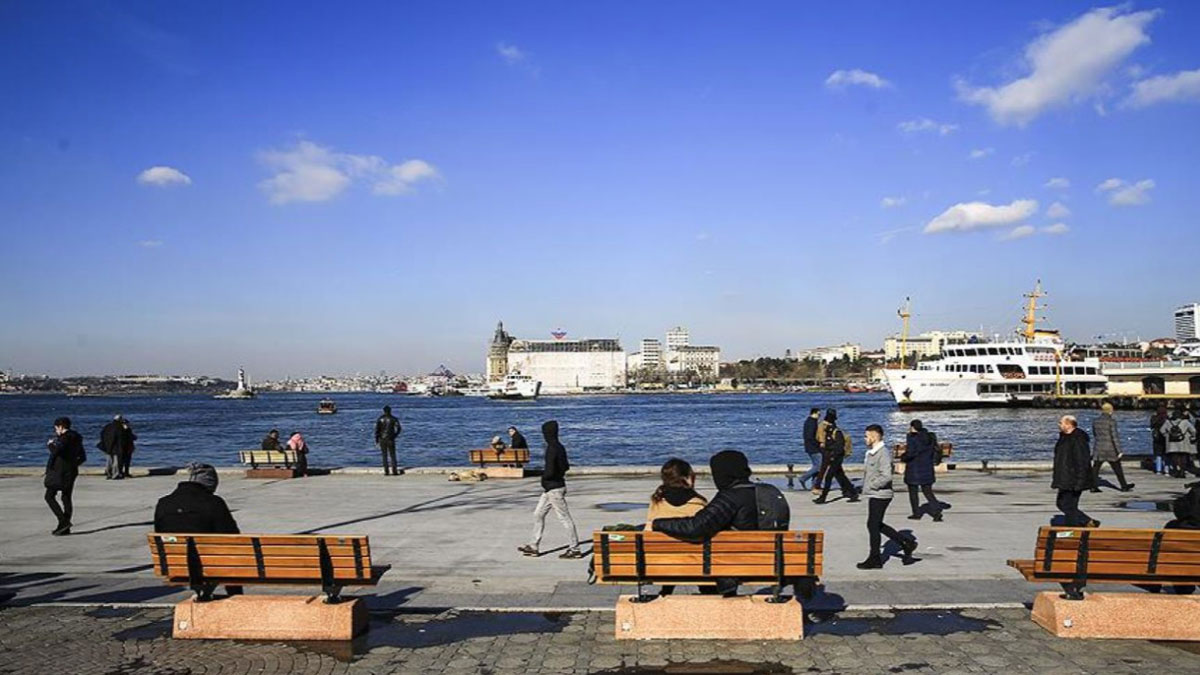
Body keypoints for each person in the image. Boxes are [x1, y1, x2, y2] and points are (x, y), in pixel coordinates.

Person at [652, 449, 765, 596]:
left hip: (734, 565)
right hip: (767, 561)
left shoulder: (729, 498)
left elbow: (696, 528)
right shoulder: (769, 492)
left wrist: (657, 524)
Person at [154, 463, 243, 596]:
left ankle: (204, 594)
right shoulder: (214, 502)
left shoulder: (164, 502)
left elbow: (159, 531)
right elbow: (232, 535)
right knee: (231, 555)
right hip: (211, 565)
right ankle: (235, 597)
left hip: (175, 565)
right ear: (210, 483)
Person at [644, 458, 709, 596]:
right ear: (687, 477)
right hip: (695, 562)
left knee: (670, 548)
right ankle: (707, 591)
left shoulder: (656, 501)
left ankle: (666, 591)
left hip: (661, 562)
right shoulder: (698, 503)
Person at [518, 420, 582, 559]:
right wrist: (554, 476)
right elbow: (566, 466)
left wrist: (545, 477)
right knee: (538, 514)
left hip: (554, 489)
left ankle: (575, 548)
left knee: (564, 518)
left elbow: (550, 470)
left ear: (547, 433)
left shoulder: (551, 449)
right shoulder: (560, 447)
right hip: (551, 488)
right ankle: (533, 546)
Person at [858, 425, 917, 569]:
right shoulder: (872, 452)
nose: (864, 438)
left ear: (874, 436)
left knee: (873, 525)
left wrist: (872, 485)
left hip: (881, 494)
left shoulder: (882, 453)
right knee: (875, 524)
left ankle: (875, 559)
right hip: (875, 493)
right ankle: (906, 543)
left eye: (866, 436)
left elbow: (886, 476)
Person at [1052, 415, 1098, 527]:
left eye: (1061, 423)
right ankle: (1087, 521)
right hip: (1064, 478)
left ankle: (1072, 529)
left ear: (1068, 424)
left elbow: (1082, 461)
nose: (1059, 425)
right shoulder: (1064, 437)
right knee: (1062, 503)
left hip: (1073, 479)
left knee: (1069, 506)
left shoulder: (1078, 439)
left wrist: (1080, 482)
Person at [45, 417, 86, 536]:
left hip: (59, 472)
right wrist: (73, 465)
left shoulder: (64, 439)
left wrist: (50, 445)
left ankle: (63, 521)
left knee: (49, 496)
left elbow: (57, 452)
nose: (56, 431)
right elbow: (83, 457)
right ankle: (65, 527)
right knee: (66, 497)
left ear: (61, 427)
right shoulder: (77, 439)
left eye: (56, 428)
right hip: (71, 471)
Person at [901, 420, 944, 521]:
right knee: (928, 492)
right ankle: (937, 511)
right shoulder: (930, 437)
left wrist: (903, 457)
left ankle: (916, 513)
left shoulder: (912, 437)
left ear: (912, 427)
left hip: (914, 468)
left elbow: (911, 453)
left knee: (913, 492)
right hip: (927, 467)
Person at [814, 409, 859, 504]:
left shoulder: (836, 432)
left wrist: (832, 456)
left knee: (829, 477)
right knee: (841, 476)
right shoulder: (830, 430)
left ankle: (823, 497)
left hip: (836, 458)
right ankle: (853, 493)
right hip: (834, 456)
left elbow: (839, 447)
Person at [1091, 402, 1133, 492]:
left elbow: (1095, 434)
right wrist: (1119, 450)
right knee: (1117, 468)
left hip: (1098, 447)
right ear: (1110, 411)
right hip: (1110, 448)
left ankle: (1093, 486)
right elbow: (1114, 436)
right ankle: (1124, 486)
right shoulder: (1111, 421)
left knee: (1096, 468)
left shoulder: (1095, 421)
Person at [1161, 407, 1198, 478]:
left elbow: (1162, 430)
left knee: (1174, 458)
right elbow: (1193, 431)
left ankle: (1176, 471)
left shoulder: (1167, 422)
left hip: (1172, 444)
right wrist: (1192, 437)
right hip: (1184, 443)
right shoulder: (1186, 422)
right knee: (1183, 457)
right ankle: (1182, 471)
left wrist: (1167, 436)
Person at [798, 408, 823, 490]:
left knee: (817, 466)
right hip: (813, 448)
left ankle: (815, 485)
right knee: (819, 466)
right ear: (814, 413)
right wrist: (818, 444)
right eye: (819, 414)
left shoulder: (810, 421)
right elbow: (810, 436)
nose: (819, 416)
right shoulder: (811, 423)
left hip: (811, 447)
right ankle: (803, 478)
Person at [375, 406, 402, 476]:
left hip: (382, 439)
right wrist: (395, 435)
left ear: (383, 411)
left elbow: (377, 430)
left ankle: (386, 471)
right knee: (393, 455)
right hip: (391, 439)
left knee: (384, 455)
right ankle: (394, 471)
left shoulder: (380, 419)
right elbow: (399, 428)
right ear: (390, 410)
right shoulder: (394, 419)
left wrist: (377, 440)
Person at [98, 415, 124, 480]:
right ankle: (115, 474)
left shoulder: (108, 426)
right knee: (116, 462)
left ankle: (108, 474)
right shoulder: (119, 427)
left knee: (109, 461)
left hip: (108, 446)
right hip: (116, 447)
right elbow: (120, 438)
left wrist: (105, 443)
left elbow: (102, 434)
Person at [1150, 405, 1169, 475]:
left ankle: (1158, 470)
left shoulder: (1154, 418)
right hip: (1166, 438)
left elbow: (1151, 426)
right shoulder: (1167, 418)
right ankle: (1167, 470)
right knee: (1166, 454)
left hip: (1157, 438)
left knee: (1158, 454)